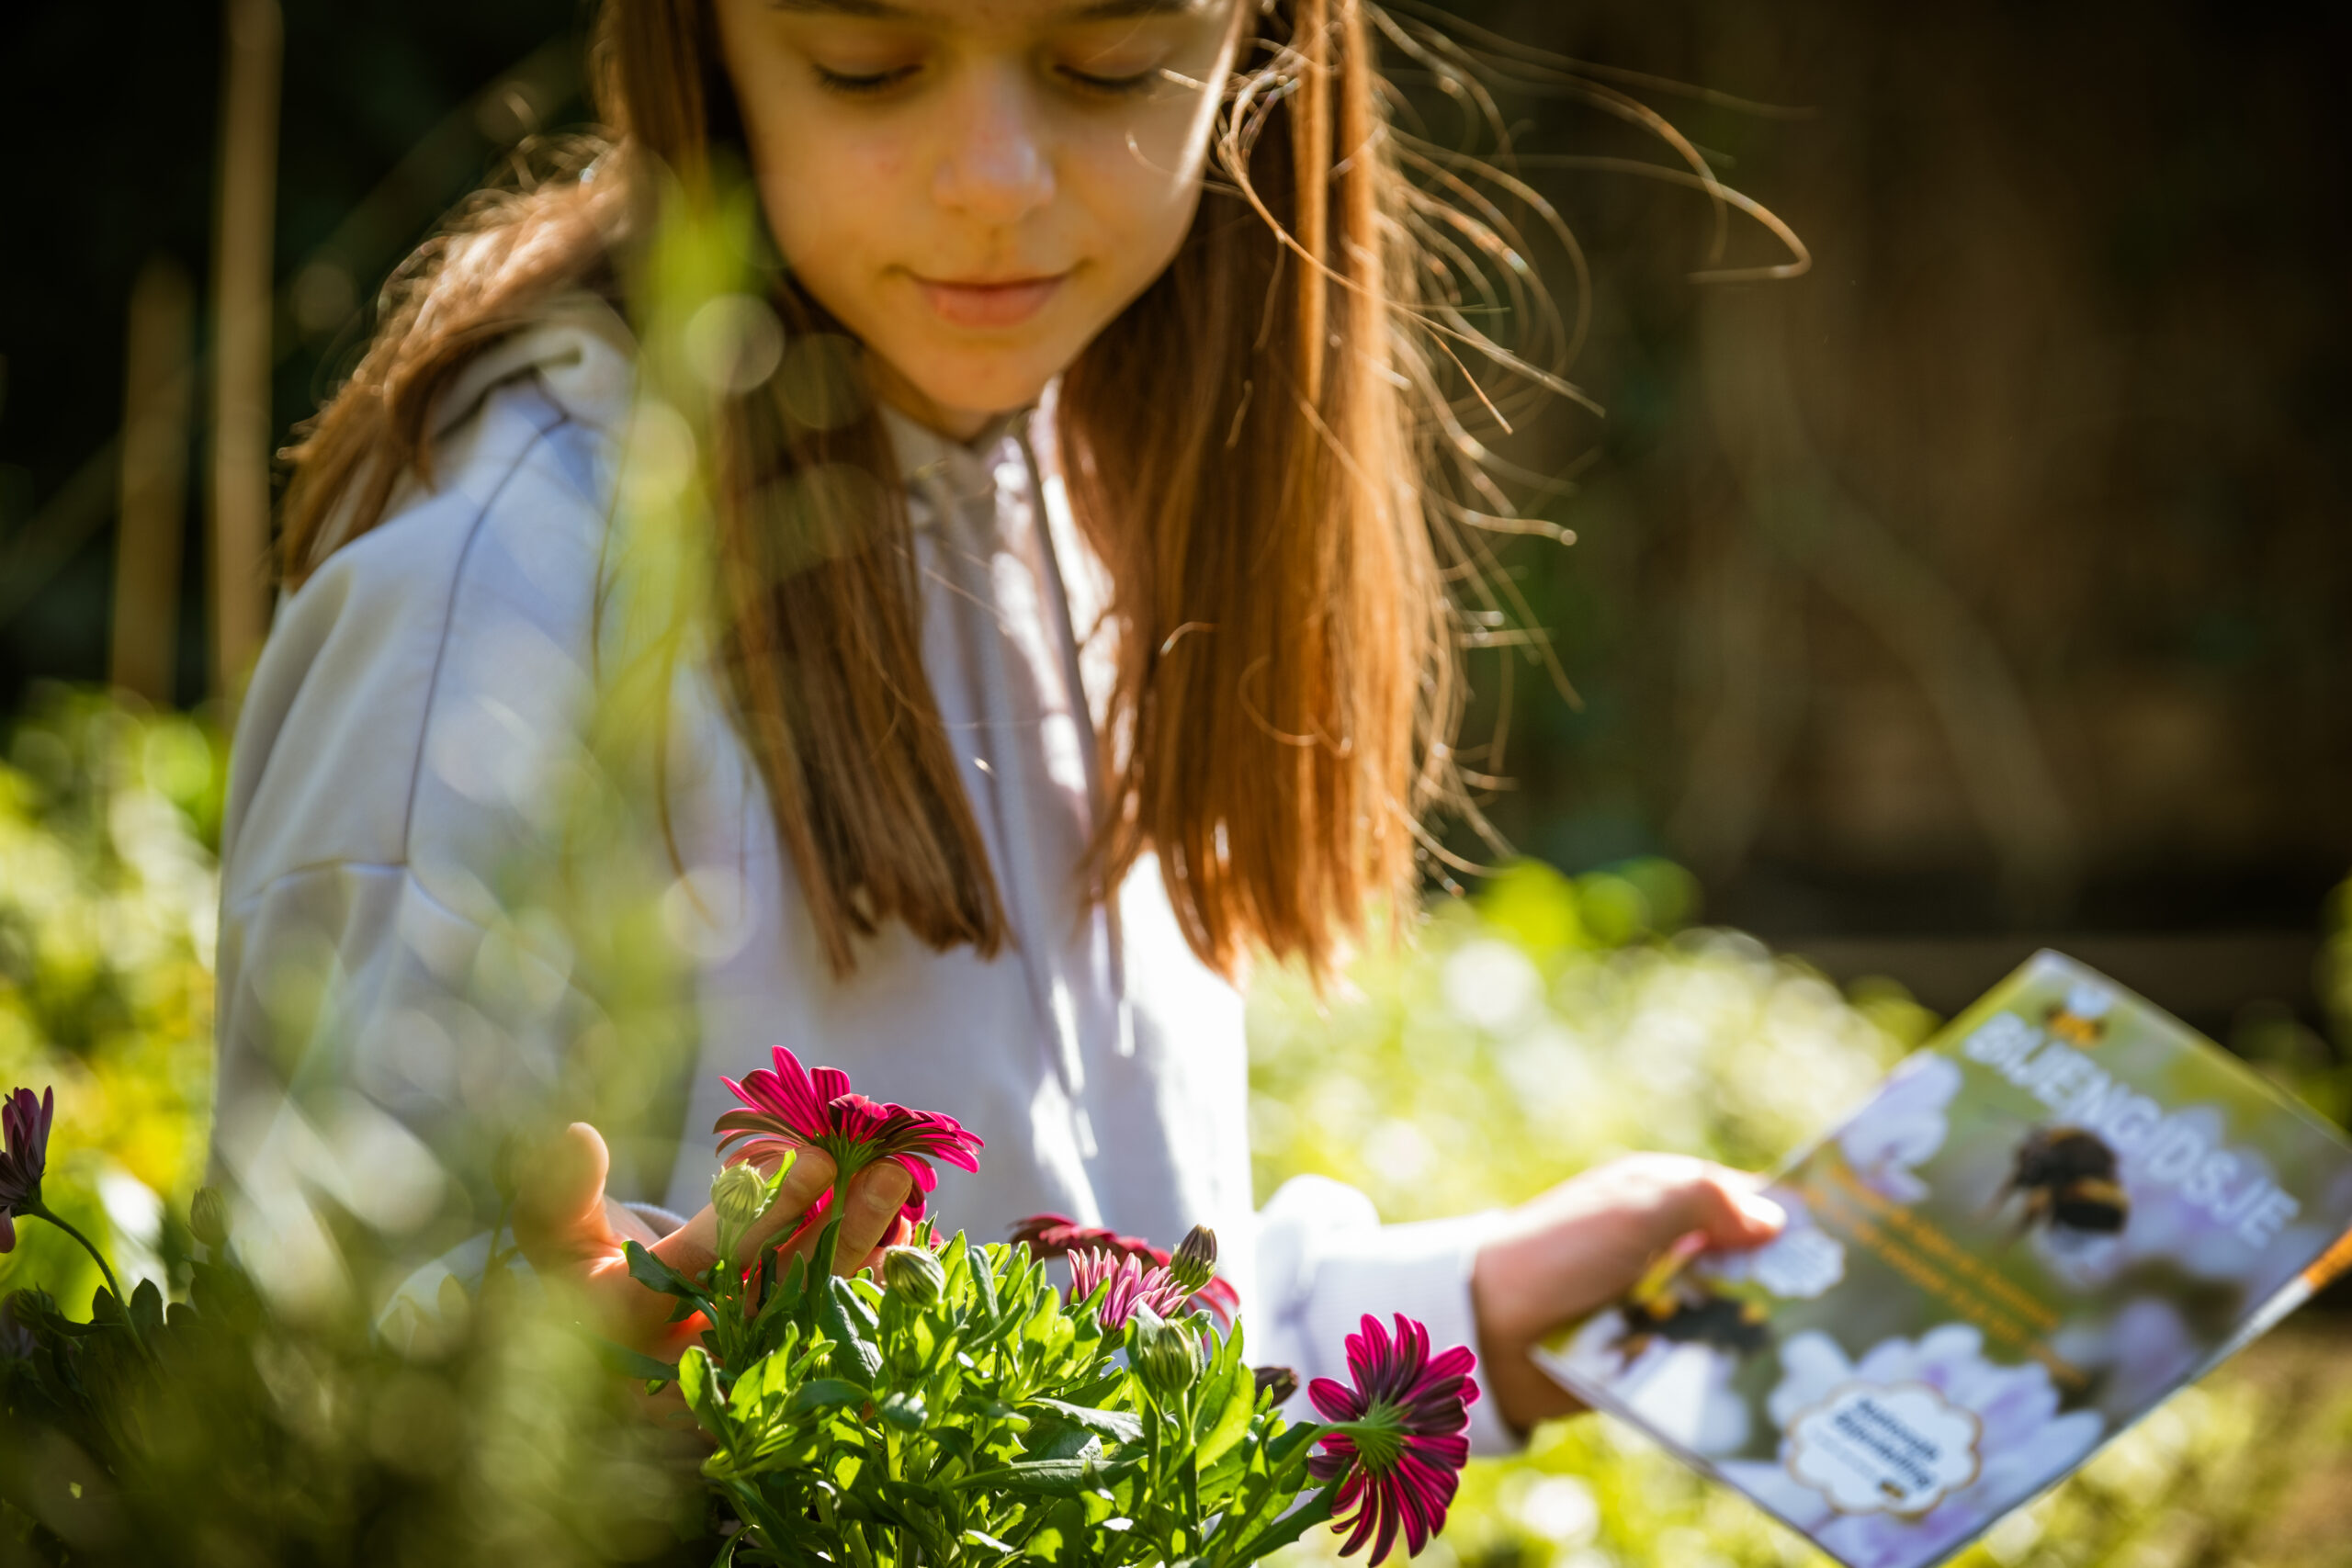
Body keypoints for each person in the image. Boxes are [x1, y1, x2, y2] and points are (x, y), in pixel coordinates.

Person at [212, 0, 1786, 1444]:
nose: (995, 178)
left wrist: (1478, 1317)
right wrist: (589, 1401)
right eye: (866, 66)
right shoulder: (501, 603)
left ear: (1262, 45)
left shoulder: (1075, 481)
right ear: (704, 47)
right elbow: (321, 1414)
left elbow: (1091, 1374)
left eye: (1108, 67)